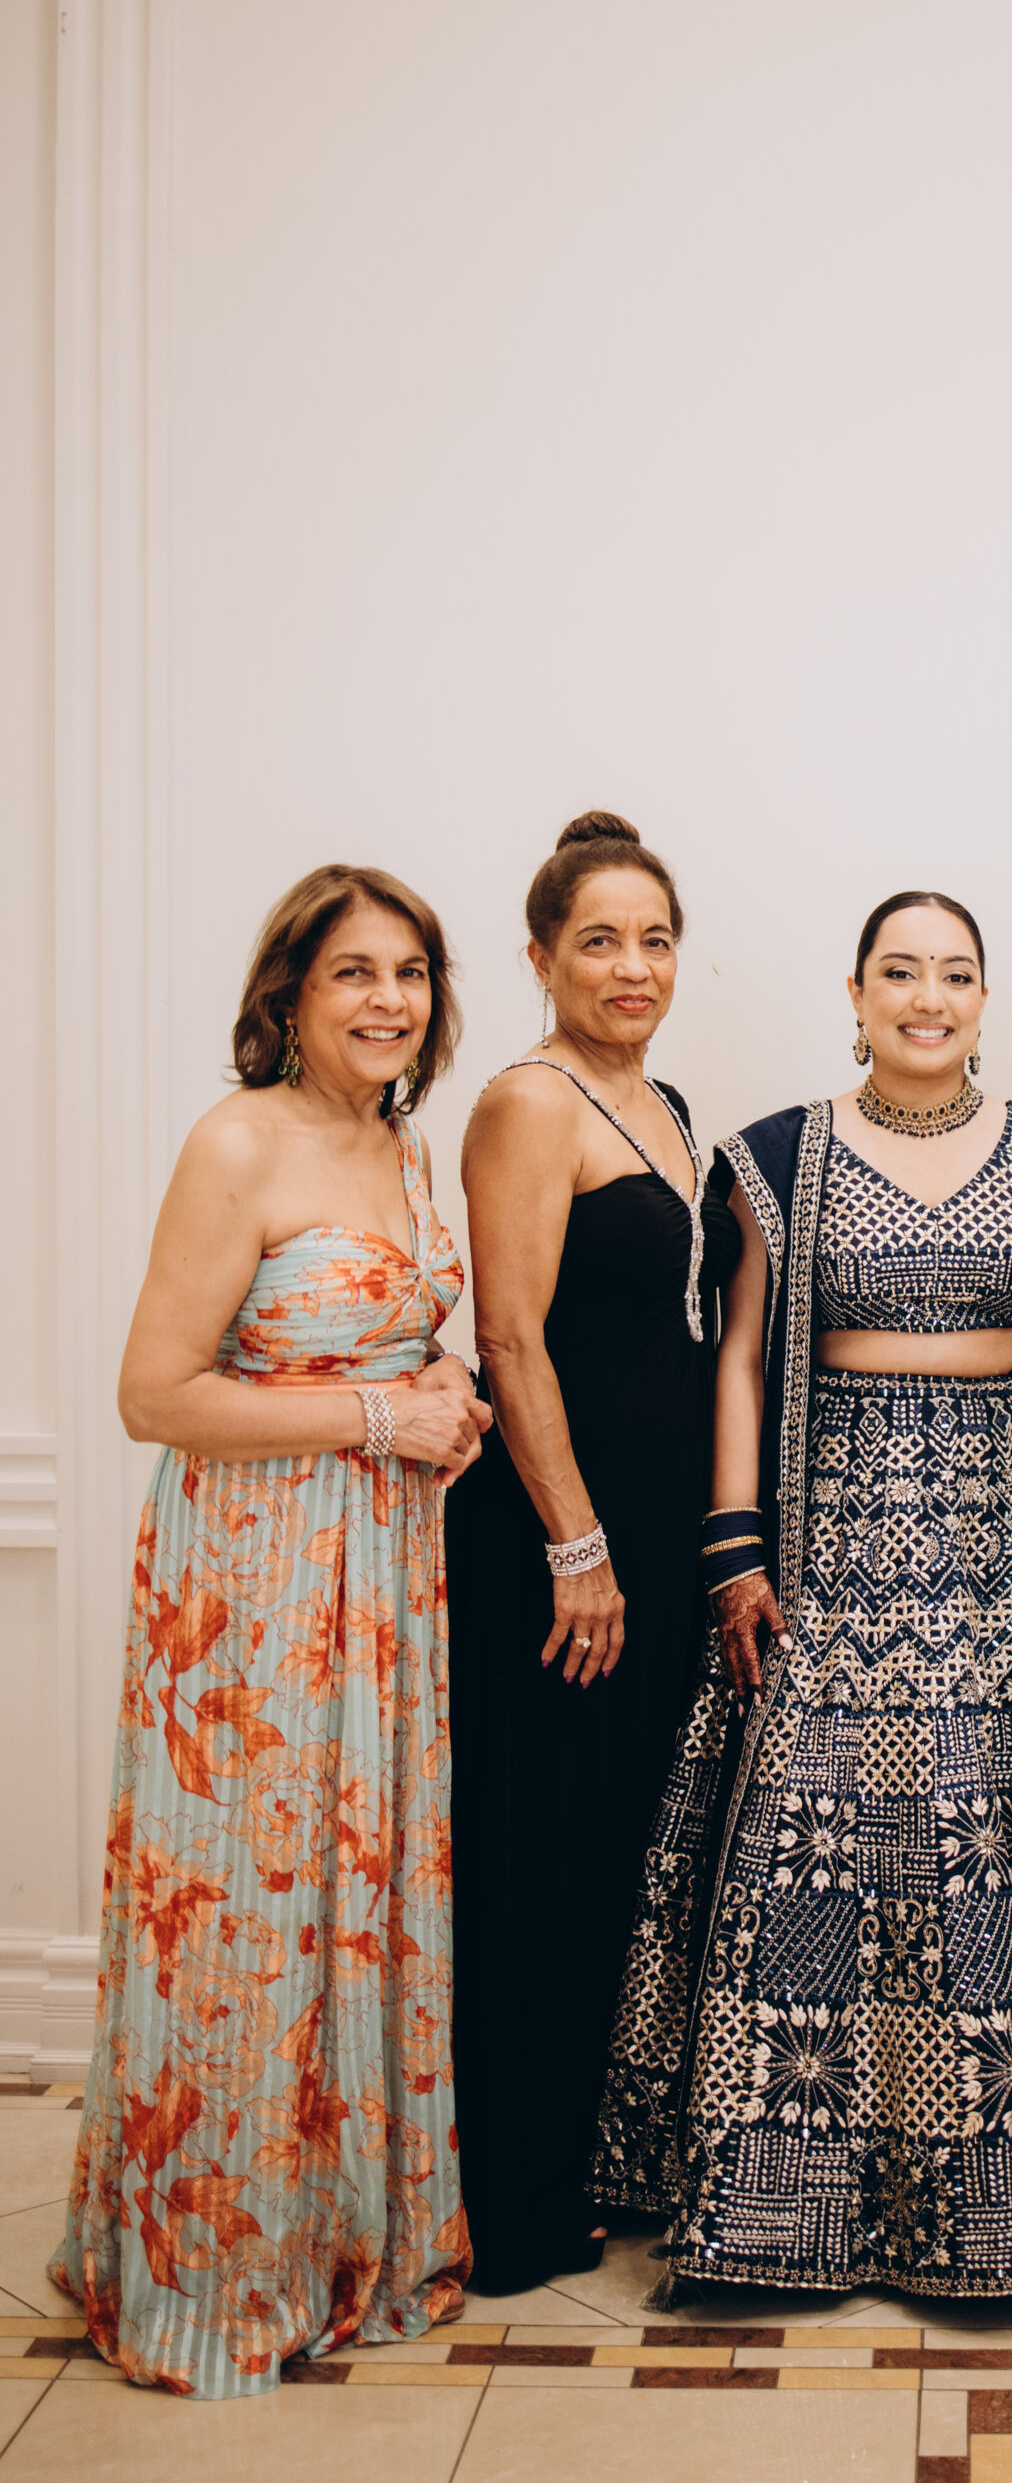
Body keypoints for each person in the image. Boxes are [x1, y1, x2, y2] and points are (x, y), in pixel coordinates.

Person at [590, 892, 1012, 2300]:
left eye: (956, 974)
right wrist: (736, 1552)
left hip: (1004, 1531)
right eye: (901, 972)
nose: (928, 997)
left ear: (984, 999)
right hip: (839, 1529)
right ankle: (777, 2218)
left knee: (991, 1845)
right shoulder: (780, 1152)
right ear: (858, 992)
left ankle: (991, 2219)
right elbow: (742, 1355)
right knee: (814, 1847)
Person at [54, 869, 488, 2397]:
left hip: (384, 1578)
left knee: (358, 1898)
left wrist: (443, 1397)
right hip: (252, 1593)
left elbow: (391, 1340)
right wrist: (378, 1414)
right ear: (290, 993)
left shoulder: (404, 1143)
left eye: (410, 973)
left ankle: (347, 2234)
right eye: (355, 972)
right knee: (247, 1905)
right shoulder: (236, 1142)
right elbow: (154, 1393)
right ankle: (220, 2266)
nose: (389, 1000)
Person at [445, 812, 741, 2294]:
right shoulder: (527, 1101)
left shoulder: (667, 1104)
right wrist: (577, 1544)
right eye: (600, 941)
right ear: (542, 956)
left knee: (634, 1844)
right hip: (562, 1540)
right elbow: (508, 1339)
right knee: (548, 1849)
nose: (634, 967)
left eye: (656, 940)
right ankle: (517, 2190)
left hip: (664, 1533)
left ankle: (602, 2154)